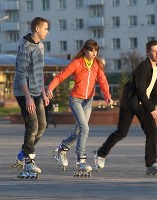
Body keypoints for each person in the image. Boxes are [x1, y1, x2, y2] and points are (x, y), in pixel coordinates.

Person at [93, 40, 157, 175]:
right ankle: (100, 154)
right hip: (130, 103)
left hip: (143, 104)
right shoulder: (143, 67)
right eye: (154, 51)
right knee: (121, 132)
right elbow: (140, 90)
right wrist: (151, 108)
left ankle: (151, 163)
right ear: (147, 53)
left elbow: (155, 87)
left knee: (152, 131)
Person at [46, 39, 113, 175]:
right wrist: (50, 88)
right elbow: (60, 77)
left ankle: (62, 149)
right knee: (85, 128)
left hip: (88, 101)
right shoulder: (77, 63)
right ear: (84, 50)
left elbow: (103, 81)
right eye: (91, 50)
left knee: (78, 132)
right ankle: (81, 160)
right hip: (76, 100)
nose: (94, 53)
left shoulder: (96, 65)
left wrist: (107, 96)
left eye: (96, 51)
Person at [13, 17, 49, 179]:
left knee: (42, 125)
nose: (47, 32)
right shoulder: (24, 48)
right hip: (23, 92)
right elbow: (21, 75)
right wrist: (28, 98)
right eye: (45, 29)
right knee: (32, 125)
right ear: (37, 29)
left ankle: (23, 154)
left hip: (36, 91)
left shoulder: (40, 46)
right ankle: (29, 161)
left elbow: (39, 72)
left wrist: (43, 92)